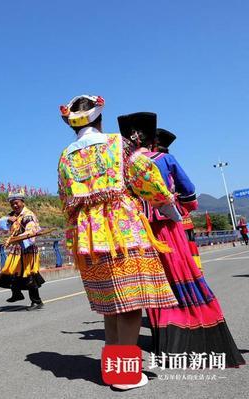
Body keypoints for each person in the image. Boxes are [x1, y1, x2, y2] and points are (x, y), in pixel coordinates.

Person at [57, 96, 179, 391]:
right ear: (99, 119)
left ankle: (113, 368)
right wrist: (168, 208)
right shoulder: (118, 144)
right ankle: (125, 374)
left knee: (110, 305)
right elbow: (145, 178)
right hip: (122, 231)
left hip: (89, 238)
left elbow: (64, 198)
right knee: (131, 303)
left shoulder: (65, 157)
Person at [121, 114, 245, 367]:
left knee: (155, 282)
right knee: (180, 272)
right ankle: (195, 332)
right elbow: (188, 191)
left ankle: (162, 340)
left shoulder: (125, 167)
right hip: (167, 228)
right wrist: (183, 205)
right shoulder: (164, 159)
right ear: (152, 139)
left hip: (140, 231)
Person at [155, 128, 202, 269]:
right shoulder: (167, 159)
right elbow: (188, 191)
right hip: (177, 212)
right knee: (185, 246)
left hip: (153, 216)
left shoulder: (138, 161)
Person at [0, 193, 45, 310]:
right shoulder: (13, 215)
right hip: (16, 250)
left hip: (27, 249)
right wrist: (8, 219)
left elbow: (31, 230)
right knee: (10, 271)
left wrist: (18, 238)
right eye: (12, 204)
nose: (15, 205)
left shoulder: (28, 215)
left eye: (16, 202)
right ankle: (16, 293)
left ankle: (37, 301)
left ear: (22, 202)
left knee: (29, 275)